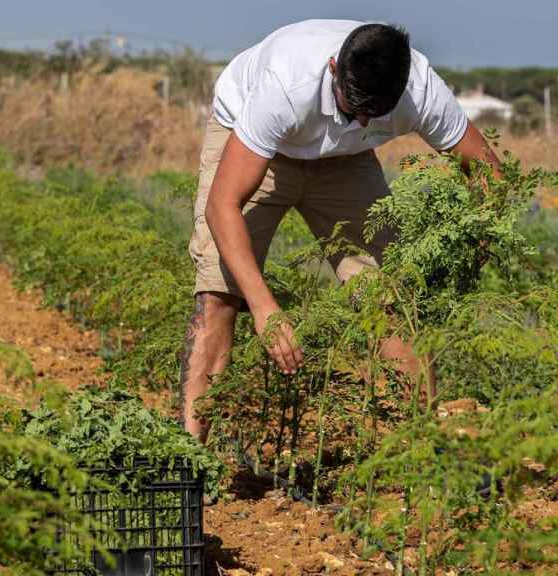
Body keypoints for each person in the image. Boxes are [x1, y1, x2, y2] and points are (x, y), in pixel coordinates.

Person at [180, 19, 501, 441]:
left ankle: (415, 452)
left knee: (390, 296)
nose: (363, 118)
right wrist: (265, 310)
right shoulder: (285, 84)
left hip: (346, 161)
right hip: (258, 147)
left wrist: (472, 248)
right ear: (334, 68)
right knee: (219, 293)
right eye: (353, 107)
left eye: (375, 114)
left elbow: (488, 174)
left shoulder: (421, 91)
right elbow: (223, 205)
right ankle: (190, 465)